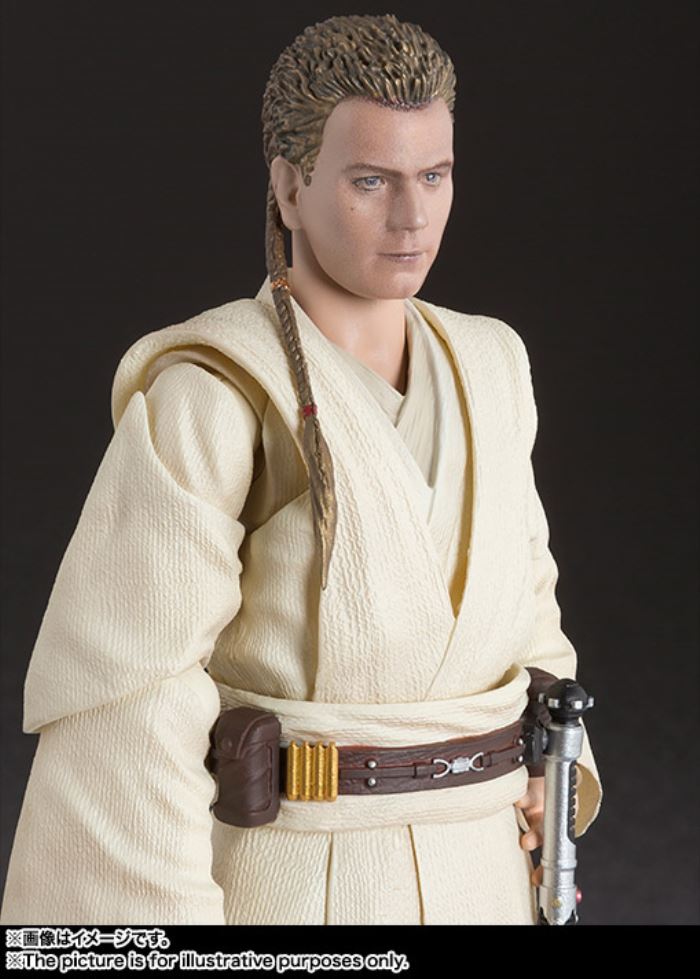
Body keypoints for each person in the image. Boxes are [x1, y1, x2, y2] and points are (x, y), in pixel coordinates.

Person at [1, 13, 602, 926]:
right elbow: (131, 698)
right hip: (300, 880)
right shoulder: (218, 392)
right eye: (370, 180)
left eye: (434, 175)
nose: (412, 217)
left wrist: (554, 773)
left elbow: (529, 604)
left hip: (483, 862)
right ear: (289, 187)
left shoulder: (494, 365)